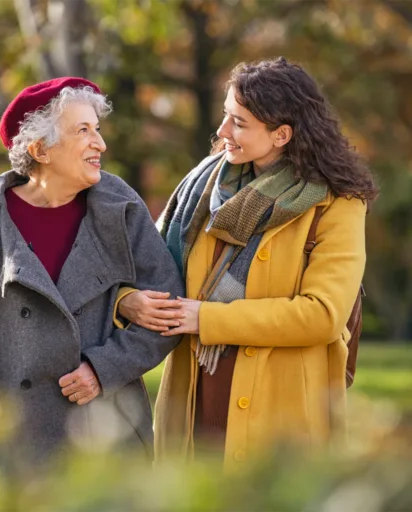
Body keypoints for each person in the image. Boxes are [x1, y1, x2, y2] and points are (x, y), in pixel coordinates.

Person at [0, 77, 184, 473]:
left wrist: (104, 368)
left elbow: (169, 308)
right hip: (9, 438)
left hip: (106, 434)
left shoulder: (120, 207)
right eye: (83, 131)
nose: (100, 144)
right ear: (40, 149)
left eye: (97, 129)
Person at [115, 58, 378, 469]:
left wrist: (209, 319)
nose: (222, 132)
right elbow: (141, 268)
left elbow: (323, 314)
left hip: (282, 410)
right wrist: (128, 300)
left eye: (239, 122)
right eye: (225, 116)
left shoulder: (337, 205)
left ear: (281, 134)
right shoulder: (200, 191)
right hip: (195, 396)